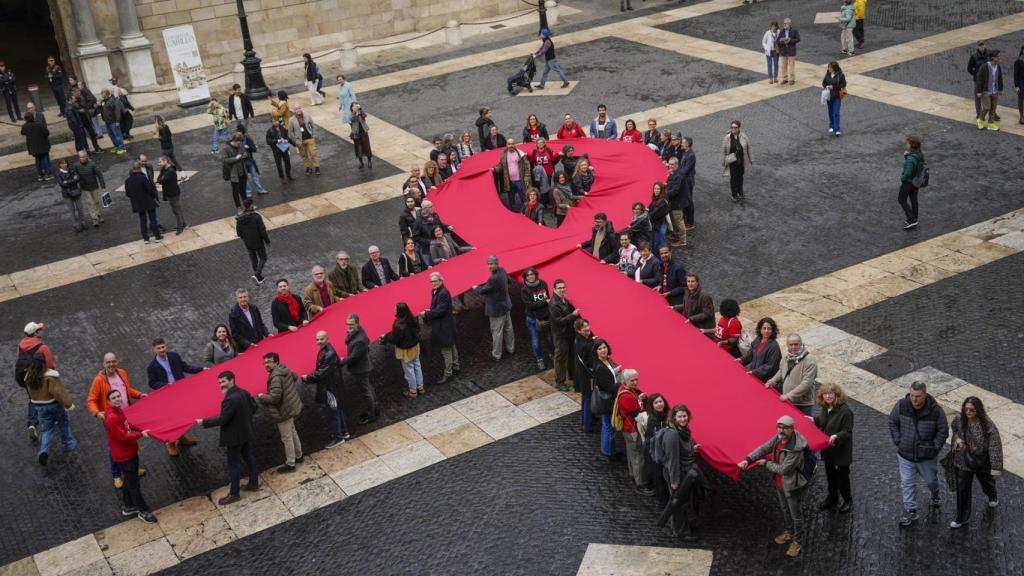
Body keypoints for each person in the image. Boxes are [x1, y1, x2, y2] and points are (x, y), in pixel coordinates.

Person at [738, 415, 809, 558]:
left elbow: (784, 470)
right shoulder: (778, 438)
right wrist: (748, 459)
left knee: (796, 515)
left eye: (785, 428)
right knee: (784, 509)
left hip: (792, 485)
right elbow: (764, 448)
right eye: (779, 427)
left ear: (792, 429)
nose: (781, 430)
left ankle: (798, 541)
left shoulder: (795, 449)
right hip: (779, 483)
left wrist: (766, 464)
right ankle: (789, 532)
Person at [889, 381, 948, 527]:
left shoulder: (936, 411)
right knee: (907, 483)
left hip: (926, 457)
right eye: (912, 395)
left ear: (925, 395)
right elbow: (892, 421)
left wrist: (934, 447)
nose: (914, 399)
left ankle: (935, 493)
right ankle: (911, 511)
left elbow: (943, 430)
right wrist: (898, 440)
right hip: (905, 455)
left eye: (918, 396)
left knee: (931, 481)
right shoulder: (901, 405)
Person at [198, 371, 260, 505]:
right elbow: (254, 408)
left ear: (232, 380)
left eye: (224, 381)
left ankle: (234, 493)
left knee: (233, 465)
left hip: (234, 437)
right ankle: (254, 483)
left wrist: (203, 422)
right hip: (246, 432)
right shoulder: (244, 392)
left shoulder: (230, 399)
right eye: (220, 382)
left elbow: (223, 419)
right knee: (249, 457)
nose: (221, 384)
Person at [88, 353, 147, 489]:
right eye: (108, 362)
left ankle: (132, 469)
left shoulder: (122, 373)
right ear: (103, 364)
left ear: (117, 362)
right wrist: (97, 413)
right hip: (113, 418)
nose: (111, 364)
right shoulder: (99, 380)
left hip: (127, 415)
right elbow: (91, 400)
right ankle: (116, 476)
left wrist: (139, 395)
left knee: (130, 440)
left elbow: (127, 390)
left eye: (113, 361)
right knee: (115, 446)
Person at [949, 396, 1002, 529]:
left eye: (971, 409)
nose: (968, 412)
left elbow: (995, 446)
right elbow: (954, 430)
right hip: (963, 460)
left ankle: (992, 495)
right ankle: (962, 517)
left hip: (980, 462)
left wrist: (995, 468)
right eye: (966, 409)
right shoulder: (959, 419)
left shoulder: (988, 426)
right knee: (962, 489)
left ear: (978, 410)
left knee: (987, 483)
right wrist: (958, 440)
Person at [104, 389, 156, 523]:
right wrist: (141, 434)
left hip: (129, 453)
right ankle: (143, 511)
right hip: (125, 456)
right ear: (109, 402)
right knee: (134, 485)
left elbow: (127, 425)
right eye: (113, 398)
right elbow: (123, 437)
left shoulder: (118, 411)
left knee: (128, 480)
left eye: (118, 396)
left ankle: (128, 506)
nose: (117, 399)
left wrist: (139, 429)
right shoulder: (112, 418)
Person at [146, 338, 201, 456]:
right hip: (166, 397)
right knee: (172, 420)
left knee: (183, 416)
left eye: (163, 347)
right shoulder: (152, 367)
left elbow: (185, 367)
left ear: (166, 346)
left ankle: (181, 438)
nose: (161, 350)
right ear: (154, 350)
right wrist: (166, 385)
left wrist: (201, 369)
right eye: (158, 348)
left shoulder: (174, 356)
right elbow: (152, 383)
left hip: (180, 393)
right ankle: (170, 443)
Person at [301, 331, 350, 448]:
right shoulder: (327, 351)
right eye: (317, 339)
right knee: (338, 409)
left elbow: (321, 373)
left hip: (330, 387)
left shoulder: (328, 354)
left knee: (334, 411)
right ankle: (344, 432)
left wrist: (307, 378)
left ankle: (339, 437)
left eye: (321, 339)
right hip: (333, 385)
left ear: (327, 339)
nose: (318, 342)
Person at [24, 355, 76, 465]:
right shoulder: (50, 377)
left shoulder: (29, 377)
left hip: (40, 407)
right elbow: (58, 392)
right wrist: (68, 404)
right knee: (63, 423)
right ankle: (69, 443)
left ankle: (43, 451)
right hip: (54, 405)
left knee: (46, 429)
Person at [258, 353, 304, 473]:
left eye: (269, 362)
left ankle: (290, 464)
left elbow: (274, 398)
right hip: (291, 406)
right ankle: (299, 456)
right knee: (292, 432)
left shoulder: (276, 377)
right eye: (265, 362)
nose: (266, 364)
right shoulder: (284, 369)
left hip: (283, 410)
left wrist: (262, 396)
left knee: (286, 437)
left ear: (276, 362)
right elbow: (294, 377)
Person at [814, 382, 854, 513]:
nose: (828, 396)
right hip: (828, 449)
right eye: (825, 394)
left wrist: (837, 435)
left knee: (842, 478)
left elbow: (848, 431)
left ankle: (847, 500)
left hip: (840, 450)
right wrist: (812, 420)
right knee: (830, 475)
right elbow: (823, 421)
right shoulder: (825, 408)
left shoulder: (846, 411)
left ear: (836, 394)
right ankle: (832, 498)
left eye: (830, 393)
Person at [616, 369, 652, 495]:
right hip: (633, 429)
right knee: (639, 456)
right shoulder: (627, 396)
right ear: (626, 381)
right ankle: (641, 483)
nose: (636, 382)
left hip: (628, 429)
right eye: (633, 380)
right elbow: (637, 413)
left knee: (631, 453)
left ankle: (633, 474)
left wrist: (639, 398)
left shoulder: (623, 390)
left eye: (636, 379)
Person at [421, 272, 460, 385]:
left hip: (443, 326)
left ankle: (448, 374)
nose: (433, 283)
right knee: (452, 345)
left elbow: (440, 311)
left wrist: (426, 314)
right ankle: (456, 367)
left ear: (441, 280)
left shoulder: (443, 293)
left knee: (446, 350)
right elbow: (437, 307)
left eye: (435, 281)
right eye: (431, 281)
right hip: (446, 325)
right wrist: (430, 311)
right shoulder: (437, 291)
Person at [474, 255, 515, 361]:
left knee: (496, 332)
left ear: (497, 263)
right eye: (488, 264)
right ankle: (511, 348)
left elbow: (483, 290)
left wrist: (476, 287)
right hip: (506, 305)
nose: (489, 266)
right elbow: (509, 280)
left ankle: (497, 354)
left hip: (496, 309)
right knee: (508, 329)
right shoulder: (503, 270)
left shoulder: (493, 278)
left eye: (491, 264)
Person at [766, 334, 817, 416]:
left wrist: (789, 396)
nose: (793, 347)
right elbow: (782, 370)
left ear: (801, 344)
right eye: (791, 345)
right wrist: (772, 381)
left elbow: (807, 383)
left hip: (803, 404)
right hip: (788, 400)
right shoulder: (786, 355)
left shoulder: (810, 360)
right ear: (787, 345)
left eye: (796, 344)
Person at [340, 314, 377, 425]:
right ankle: (374, 409)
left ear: (357, 323)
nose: (349, 326)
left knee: (366, 392)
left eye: (351, 324)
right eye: (348, 324)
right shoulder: (357, 332)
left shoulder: (360, 340)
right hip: (362, 367)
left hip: (361, 369)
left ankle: (371, 415)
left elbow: (353, 357)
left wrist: (341, 361)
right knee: (368, 388)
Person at [382, 303, 425, 398]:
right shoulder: (412, 319)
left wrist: (385, 337)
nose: (394, 310)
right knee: (417, 366)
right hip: (415, 347)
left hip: (406, 350)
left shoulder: (398, 324)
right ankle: (420, 387)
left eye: (395, 309)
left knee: (409, 370)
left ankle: (413, 391)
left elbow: (394, 339)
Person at [592, 339, 622, 461]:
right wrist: (620, 383)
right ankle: (610, 452)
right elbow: (609, 387)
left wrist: (616, 371)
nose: (603, 350)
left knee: (606, 426)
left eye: (604, 347)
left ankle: (606, 450)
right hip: (608, 401)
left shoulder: (604, 362)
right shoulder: (600, 367)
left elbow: (609, 374)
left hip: (606, 401)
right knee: (609, 427)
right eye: (600, 349)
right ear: (596, 352)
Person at [638, 393, 670, 504]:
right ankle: (663, 501)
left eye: (660, 401)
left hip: (661, 451)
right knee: (659, 477)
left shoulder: (667, 415)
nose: (659, 404)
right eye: (656, 402)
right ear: (652, 405)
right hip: (653, 452)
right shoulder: (653, 419)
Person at [520, 268, 553, 370]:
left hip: (546, 317)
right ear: (525, 277)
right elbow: (530, 306)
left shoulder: (543, 283)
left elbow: (547, 296)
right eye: (528, 275)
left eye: (532, 274)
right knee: (536, 341)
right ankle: (540, 359)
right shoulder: (524, 290)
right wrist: (544, 302)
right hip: (533, 319)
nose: (531, 276)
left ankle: (552, 354)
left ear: (536, 275)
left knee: (550, 339)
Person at [124, 162, 161, 244]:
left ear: (132, 169)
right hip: (148, 202)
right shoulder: (143, 178)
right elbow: (150, 190)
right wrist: (154, 196)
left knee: (142, 221)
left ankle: (146, 239)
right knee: (153, 219)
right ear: (140, 168)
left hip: (138, 204)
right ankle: (157, 236)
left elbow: (128, 194)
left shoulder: (127, 181)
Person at [236, 198, 270, 283]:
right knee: (263, 258)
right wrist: (267, 240)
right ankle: (257, 274)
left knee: (254, 259)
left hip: (248, 242)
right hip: (258, 242)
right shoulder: (256, 217)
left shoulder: (239, 218)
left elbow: (239, 233)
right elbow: (262, 230)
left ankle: (259, 278)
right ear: (251, 205)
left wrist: (245, 238)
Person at [740, 317, 781, 383]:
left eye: (769, 329)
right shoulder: (758, 339)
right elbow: (751, 353)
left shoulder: (774, 347)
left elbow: (770, 366)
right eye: (764, 328)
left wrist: (754, 372)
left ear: (773, 330)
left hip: (763, 380)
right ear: (760, 329)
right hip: (753, 374)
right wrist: (741, 360)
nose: (766, 331)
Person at [573, 318, 595, 431]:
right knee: (588, 399)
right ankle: (587, 425)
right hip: (587, 378)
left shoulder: (579, 340)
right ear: (579, 330)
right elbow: (590, 362)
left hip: (581, 376)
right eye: (584, 327)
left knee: (585, 398)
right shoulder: (586, 345)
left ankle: (585, 420)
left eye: (587, 325)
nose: (588, 328)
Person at [898, 135, 924, 230]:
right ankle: (914, 218)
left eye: (907, 143)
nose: (906, 144)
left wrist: (902, 178)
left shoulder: (910, 159)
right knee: (913, 199)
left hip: (908, 182)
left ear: (911, 145)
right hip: (916, 181)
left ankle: (912, 219)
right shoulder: (919, 154)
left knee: (901, 199)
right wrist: (907, 155)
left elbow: (908, 172)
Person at [722, 121, 751, 202]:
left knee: (740, 178)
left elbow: (749, 148)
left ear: (739, 128)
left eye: (735, 127)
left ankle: (740, 192)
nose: (733, 129)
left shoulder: (744, 136)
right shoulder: (727, 137)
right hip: (732, 161)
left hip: (741, 161)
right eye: (732, 127)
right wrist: (724, 161)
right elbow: (723, 150)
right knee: (733, 178)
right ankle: (734, 194)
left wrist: (750, 159)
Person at [497, 138, 530, 211]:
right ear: (506, 145)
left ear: (515, 144)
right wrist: (494, 170)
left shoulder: (520, 154)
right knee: (511, 199)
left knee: (523, 197)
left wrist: (526, 177)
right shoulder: (503, 154)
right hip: (509, 181)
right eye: (509, 144)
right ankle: (514, 212)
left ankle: (527, 211)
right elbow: (501, 165)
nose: (511, 145)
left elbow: (527, 166)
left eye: (512, 144)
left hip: (519, 180)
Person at [288, 103, 321, 176]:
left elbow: (313, 125)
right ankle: (308, 167)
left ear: (301, 108)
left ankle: (316, 167)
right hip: (300, 141)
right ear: (294, 111)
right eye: (296, 109)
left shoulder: (307, 115)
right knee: (304, 155)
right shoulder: (291, 120)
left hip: (309, 138)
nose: (298, 110)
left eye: (299, 108)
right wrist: (295, 140)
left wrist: (313, 134)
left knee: (313, 153)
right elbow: (290, 132)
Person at [157, 156, 187, 235]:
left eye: (160, 162)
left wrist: (161, 178)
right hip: (170, 193)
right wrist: (161, 177)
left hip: (173, 193)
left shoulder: (170, 171)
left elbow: (161, 180)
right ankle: (183, 224)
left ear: (165, 161)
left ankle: (180, 227)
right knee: (177, 209)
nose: (159, 164)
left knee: (176, 210)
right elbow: (158, 179)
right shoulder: (164, 169)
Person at [975, 49, 1003, 131]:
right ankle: (980, 120)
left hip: (995, 90)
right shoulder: (984, 66)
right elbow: (979, 79)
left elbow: (1000, 78)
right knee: (987, 107)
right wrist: (979, 91)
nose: (999, 58)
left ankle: (991, 123)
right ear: (993, 57)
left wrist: (1000, 89)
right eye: (998, 56)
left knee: (993, 108)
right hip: (986, 91)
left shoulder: (998, 66)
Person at [236, 124, 266, 197]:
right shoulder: (236, 139)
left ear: (242, 132)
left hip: (249, 160)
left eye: (238, 131)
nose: (237, 133)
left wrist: (248, 147)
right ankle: (248, 192)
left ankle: (260, 189)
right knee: (245, 178)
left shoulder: (248, 138)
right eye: (237, 131)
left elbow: (254, 148)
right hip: (241, 161)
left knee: (254, 175)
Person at [56, 159, 85, 232]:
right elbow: (62, 184)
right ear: (59, 165)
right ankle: (75, 225)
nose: (64, 164)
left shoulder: (72, 170)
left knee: (80, 208)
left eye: (65, 163)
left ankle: (83, 222)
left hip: (75, 192)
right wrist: (72, 180)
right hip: (67, 195)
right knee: (72, 210)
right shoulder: (59, 174)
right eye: (62, 163)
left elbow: (77, 178)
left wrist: (67, 181)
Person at [21, 113, 52, 181]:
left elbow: (23, 133)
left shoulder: (25, 126)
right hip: (42, 145)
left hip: (33, 147)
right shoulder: (39, 125)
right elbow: (46, 133)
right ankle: (47, 174)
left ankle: (40, 175)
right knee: (44, 159)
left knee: (37, 160)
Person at [665, 156, 688, 246]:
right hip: (674, 201)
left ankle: (683, 240)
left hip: (677, 202)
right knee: (675, 220)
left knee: (679, 221)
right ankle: (677, 235)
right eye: (669, 164)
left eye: (672, 164)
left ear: (677, 165)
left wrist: (664, 193)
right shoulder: (674, 173)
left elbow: (675, 190)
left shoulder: (679, 175)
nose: (670, 166)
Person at [223, 134, 249, 210]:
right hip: (234, 174)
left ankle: (247, 206)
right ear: (235, 141)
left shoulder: (240, 145)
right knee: (235, 192)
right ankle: (239, 208)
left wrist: (244, 155)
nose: (240, 144)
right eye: (238, 143)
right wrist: (236, 158)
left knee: (243, 191)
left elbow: (243, 152)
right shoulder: (226, 149)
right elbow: (225, 160)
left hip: (242, 172)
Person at [266, 116, 295, 184]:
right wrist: (276, 141)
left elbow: (287, 136)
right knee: (279, 165)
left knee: (287, 162)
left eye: (276, 121)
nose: (276, 122)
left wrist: (292, 143)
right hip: (276, 151)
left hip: (284, 148)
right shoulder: (269, 131)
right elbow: (268, 141)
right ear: (271, 123)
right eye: (273, 121)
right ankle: (282, 178)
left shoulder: (282, 128)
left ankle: (288, 175)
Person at [97, 89, 126, 154]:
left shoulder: (112, 100)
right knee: (111, 135)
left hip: (113, 121)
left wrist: (118, 121)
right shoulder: (103, 101)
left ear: (106, 94)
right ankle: (116, 147)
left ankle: (122, 148)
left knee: (117, 135)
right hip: (107, 121)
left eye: (102, 93)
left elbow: (117, 111)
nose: (101, 95)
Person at [823, 62, 847, 137]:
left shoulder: (841, 75)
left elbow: (843, 84)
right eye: (828, 67)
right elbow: (823, 83)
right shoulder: (827, 74)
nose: (829, 69)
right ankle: (831, 126)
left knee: (836, 112)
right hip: (829, 96)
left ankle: (837, 129)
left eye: (830, 67)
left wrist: (833, 87)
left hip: (837, 96)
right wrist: (826, 86)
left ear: (834, 68)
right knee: (830, 111)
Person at [967, 41, 990, 121]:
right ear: (977, 47)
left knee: (990, 95)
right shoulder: (974, 56)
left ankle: (992, 113)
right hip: (978, 80)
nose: (982, 48)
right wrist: (976, 74)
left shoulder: (988, 54)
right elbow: (969, 68)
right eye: (980, 47)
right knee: (978, 97)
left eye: (983, 46)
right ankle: (979, 114)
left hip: (988, 79)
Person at [778, 18, 801, 85]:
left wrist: (790, 40)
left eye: (786, 23)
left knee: (791, 65)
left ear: (789, 24)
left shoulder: (794, 31)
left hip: (791, 51)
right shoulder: (782, 31)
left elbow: (798, 39)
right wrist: (782, 40)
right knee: (783, 66)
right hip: (783, 51)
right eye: (784, 23)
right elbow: (778, 40)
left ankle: (791, 79)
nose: (784, 24)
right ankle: (785, 78)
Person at [350, 102, 373, 168]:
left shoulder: (360, 112)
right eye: (354, 106)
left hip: (363, 132)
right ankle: (361, 162)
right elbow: (352, 119)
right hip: (356, 134)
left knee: (367, 147)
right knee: (358, 149)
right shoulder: (352, 114)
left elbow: (365, 115)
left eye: (356, 106)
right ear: (352, 108)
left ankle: (369, 161)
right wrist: (355, 113)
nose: (355, 107)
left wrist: (360, 109)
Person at [1015, 45, 1024, 125]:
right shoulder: (1018, 61)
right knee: (1021, 99)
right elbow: (1016, 74)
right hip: (1021, 82)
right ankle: (1021, 116)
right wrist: (1016, 86)